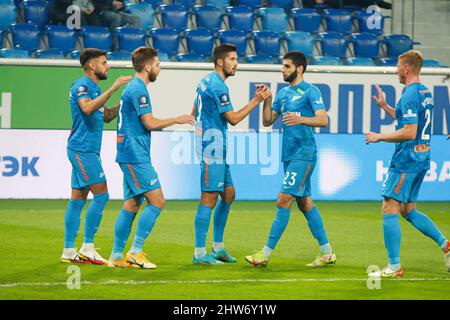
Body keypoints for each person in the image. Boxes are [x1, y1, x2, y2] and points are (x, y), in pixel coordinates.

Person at [245, 51, 336, 267]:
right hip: (289, 155)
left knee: (283, 199)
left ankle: (265, 253)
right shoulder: (283, 94)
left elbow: (324, 120)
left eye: (286, 66)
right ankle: (327, 252)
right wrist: (266, 100)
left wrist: (301, 119)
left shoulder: (311, 91)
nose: (282, 70)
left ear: (299, 68)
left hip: (304, 155)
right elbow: (268, 121)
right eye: (283, 66)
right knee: (305, 204)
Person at [108, 46, 195, 269]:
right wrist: (177, 118)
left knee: (132, 203)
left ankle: (116, 256)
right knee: (157, 201)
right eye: (157, 65)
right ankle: (136, 252)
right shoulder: (138, 89)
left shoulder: (133, 88)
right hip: (135, 154)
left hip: (130, 152)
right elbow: (150, 123)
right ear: (147, 67)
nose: (159, 68)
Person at [366, 50, 450, 278]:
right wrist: (385, 107)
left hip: (407, 160)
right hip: (422, 157)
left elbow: (409, 131)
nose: (395, 70)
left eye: (397, 66)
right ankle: (446, 245)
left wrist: (379, 136)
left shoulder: (410, 94)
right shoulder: (425, 92)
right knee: (407, 209)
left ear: (406, 68)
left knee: (389, 207)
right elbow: (408, 121)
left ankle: (394, 267)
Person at [191, 44, 271, 265]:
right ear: (220, 62)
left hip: (212, 142)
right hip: (212, 146)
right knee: (209, 198)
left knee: (228, 194)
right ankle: (199, 253)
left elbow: (194, 110)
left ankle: (218, 248)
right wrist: (256, 100)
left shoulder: (205, 80)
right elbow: (233, 119)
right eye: (232, 59)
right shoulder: (218, 86)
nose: (236, 63)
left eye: (236, 59)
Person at [61, 48, 131, 265]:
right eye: (104, 62)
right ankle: (88, 247)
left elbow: (106, 115)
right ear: (91, 66)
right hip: (82, 149)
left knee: (77, 199)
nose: (108, 65)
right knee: (101, 195)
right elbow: (88, 108)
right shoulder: (82, 86)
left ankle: (68, 250)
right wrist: (114, 88)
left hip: (87, 150)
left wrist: (124, 102)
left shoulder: (95, 88)